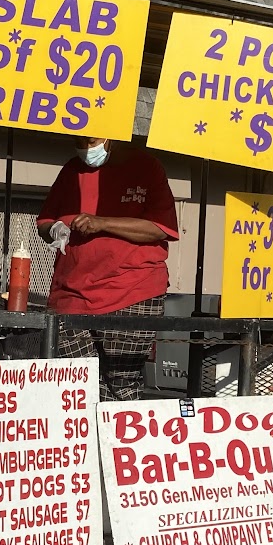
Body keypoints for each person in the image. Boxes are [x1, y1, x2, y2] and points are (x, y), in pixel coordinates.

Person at [36, 135, 179, 401]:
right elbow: (45, 219)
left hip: (131, 291)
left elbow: (159, 228)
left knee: (121, 385)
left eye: (91, 141)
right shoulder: (70, 170)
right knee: (73, 388)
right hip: (71, 294)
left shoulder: (146, 167)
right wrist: (53, 228)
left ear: (111, 135)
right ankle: (84, 442)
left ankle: (118, 442)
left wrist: (102, 223)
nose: (86, 148)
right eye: (78, 141)